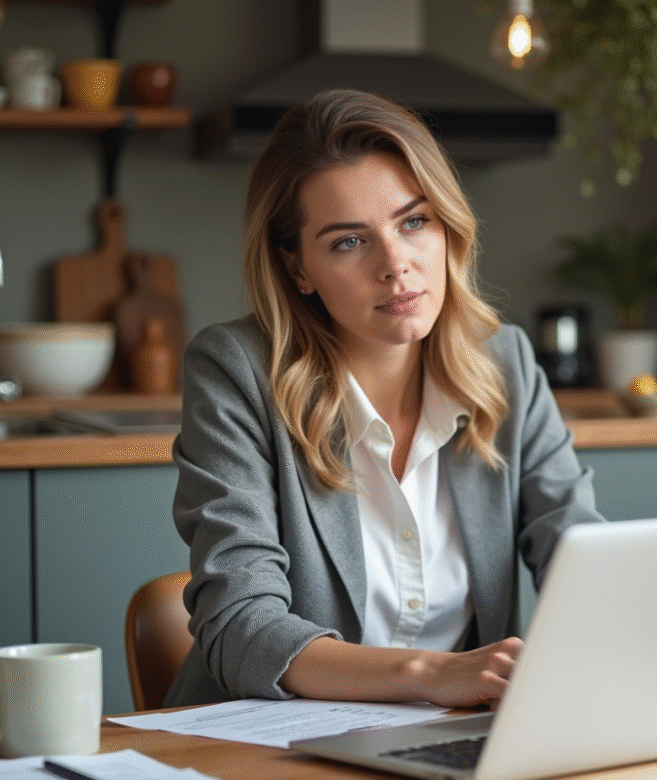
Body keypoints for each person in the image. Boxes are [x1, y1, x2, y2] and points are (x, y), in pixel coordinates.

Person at [165, 88, 605, 710]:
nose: (396, 266)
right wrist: (429, 674)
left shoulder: (502, 362)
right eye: (349, 241)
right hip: (274, 748)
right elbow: (242, 627)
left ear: (447, 225)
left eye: (414, 221)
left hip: (451, 739)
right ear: (297, 269)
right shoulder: (236, 371)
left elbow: (579, 550)